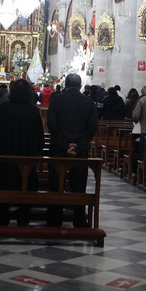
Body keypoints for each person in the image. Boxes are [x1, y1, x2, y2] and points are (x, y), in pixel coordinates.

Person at [0, 78, 46, 226]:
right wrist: (38, 150)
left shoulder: (5, 108)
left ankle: (3, 214)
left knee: (5, 182)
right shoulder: (33, 110)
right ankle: (23, 215)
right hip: (27, 155)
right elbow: (39, 134)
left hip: (6, 153)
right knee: (25, 183)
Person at [46, 73, 98, 227]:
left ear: (65, 85)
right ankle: (79, 219)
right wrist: (78, 145)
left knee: (56, 185)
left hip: (58, 150)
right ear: (80, 85)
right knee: (79, 185)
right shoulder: (89, 102)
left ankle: (54, 220)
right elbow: (92, 127)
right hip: (79, 152)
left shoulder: (56, 100)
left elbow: (52, 124)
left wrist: (64, 146)